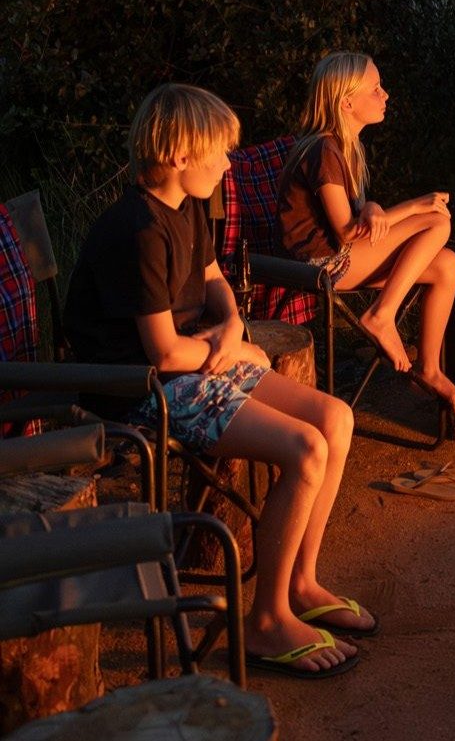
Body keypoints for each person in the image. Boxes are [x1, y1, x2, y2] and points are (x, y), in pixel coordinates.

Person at [64, 84, 371, 679]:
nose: (229, 163)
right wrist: (223, 349)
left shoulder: (187, 207)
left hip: (188, 365)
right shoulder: (138, 230)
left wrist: (231, 324)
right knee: (306, 448)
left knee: (336, 417)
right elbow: (164, 352)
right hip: (137, 390)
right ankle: (265, 622)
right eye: (220, 153)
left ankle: (300, 583)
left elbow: (212, 279)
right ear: (181, 156)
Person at [277, 52, 455, 416]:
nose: (386, 95)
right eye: (376, 88)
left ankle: (428, 367)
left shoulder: (347, 148)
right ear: (347, 102)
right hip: (320, 264)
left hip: (341, 256)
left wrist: (373, 205)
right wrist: (413, 206)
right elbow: (347, 232)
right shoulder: (323, 149)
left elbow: (359, 218)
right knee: (437, 220)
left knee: (446, 265)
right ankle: (382, 315)